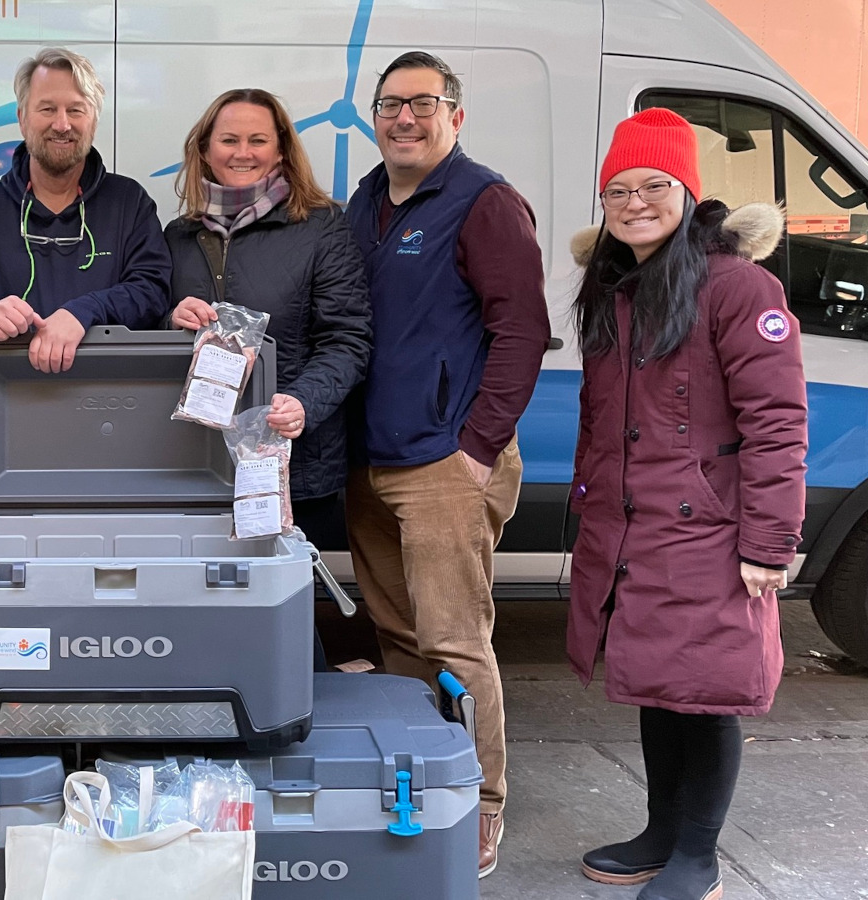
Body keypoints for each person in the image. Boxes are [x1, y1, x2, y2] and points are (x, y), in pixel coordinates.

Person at [568, 108, 805, 900]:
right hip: (635, 527)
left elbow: (777, 421)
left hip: (709, 532)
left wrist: (769, 543)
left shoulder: (740, 286)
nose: (635, 203)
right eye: (618, 191)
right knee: (656, 682)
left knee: (703, 694)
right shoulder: (616, 290)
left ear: (687, 192)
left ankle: (698, 856)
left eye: (654, 186)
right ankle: (661, 832)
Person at [342, 51, 550, 877]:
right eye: (390, 104)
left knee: (455, 641)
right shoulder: (365, 201)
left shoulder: (485, 202)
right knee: (397, 636)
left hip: (443, 463)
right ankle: (419, 778)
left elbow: (522, 332)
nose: (404, 118)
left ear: (454, 116)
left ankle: (480, 805)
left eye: (422, 104)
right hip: (372, 462)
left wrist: (478, 448)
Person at [165, 88, 372, 550]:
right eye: (228, 140)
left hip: (288, 457)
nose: (243, 153)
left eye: (257, 140)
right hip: (194, 460)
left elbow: (348, 339)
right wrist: (171, 318)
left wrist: (304, 403)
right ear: (204, 149)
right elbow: (153, 329)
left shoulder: (322, 227)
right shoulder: (179, 235)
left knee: (281, 605)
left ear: (280, 149)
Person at [0, 46, 171, 371]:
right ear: (22, 118)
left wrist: (85, 310)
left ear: (94, 120)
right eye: (47, 109)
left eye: (76, 110)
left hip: (110, 397)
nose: (62, 125)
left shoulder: (129, 202)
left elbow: (153, 292)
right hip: (4, 398)